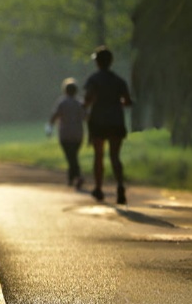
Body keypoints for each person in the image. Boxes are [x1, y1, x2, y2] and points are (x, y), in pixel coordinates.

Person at [83, 46, 133, 204]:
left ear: (97, 63)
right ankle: (120, 186)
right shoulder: (119, 81)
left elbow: (88, 100)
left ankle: (98, 188)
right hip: (116, 121)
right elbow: (128, 101)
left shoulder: (93, 80)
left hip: (98, 122)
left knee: (99, 156)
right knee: (115, 156)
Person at [49, 78, 86, 189]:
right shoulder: (80, 103)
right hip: (78, 134)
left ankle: (77, 176)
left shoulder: (62, 103)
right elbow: (86, 117)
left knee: (71, 157)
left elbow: (54, 116)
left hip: (65, 135)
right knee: (73, 156)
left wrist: (49, 128)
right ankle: (71, 178)